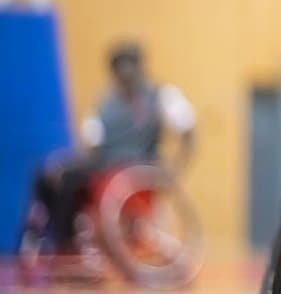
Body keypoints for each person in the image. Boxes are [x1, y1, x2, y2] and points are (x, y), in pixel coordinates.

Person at [31, 42, 195, 256]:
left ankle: (61, 242)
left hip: (139, 165)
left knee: (69, 180)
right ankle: (58, 237)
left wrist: (174, 169)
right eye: (120, 67)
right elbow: (93, 144)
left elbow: (188, 130)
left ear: (140, 67)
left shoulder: (161, 96)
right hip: (106, 164)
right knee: (48, 175)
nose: (125, 72)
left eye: (129, 66)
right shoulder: (105, 104)